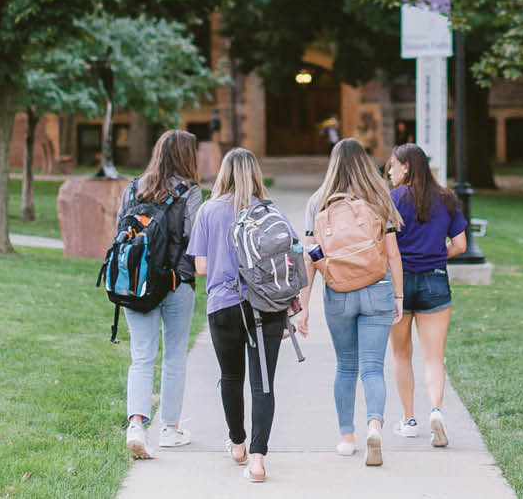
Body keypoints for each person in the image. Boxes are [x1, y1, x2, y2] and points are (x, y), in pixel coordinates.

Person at [186, 148, 298, 483]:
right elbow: (290, 255)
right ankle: (259, 460)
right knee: (263, 382)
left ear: (224, 173)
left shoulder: (208, 211)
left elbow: (202, 266)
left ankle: (238, 444)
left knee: (231, 377)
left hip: (224, 304)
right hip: (267, 304)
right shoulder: (270, 209)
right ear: (255, 174)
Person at [299, 138, 406, 467]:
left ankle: (347, 437)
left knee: (346, 367)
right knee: (373, 368)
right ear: (363, 163)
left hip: (339, 293)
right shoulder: (378, 198)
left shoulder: (318, 201)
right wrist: (399, 297)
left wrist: (303, 305)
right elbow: (392, 254)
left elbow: (310, 256)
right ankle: (374, 426)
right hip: (377, 289)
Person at [119, 130, 202, 460]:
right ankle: (169, 429)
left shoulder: (134, 187)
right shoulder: (190, 191)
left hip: (136, 282)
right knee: (174, 354)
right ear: (186, 156)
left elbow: (120, 233)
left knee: (141, 355)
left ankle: (136, 425)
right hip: (176, 280)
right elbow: (194, 237)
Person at [384, 144, 468, 447]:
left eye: (392, 165)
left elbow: (385, 246)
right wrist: (435, 254)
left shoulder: (391, 201)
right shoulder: (446, 198)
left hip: (399, 284)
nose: (389, 171)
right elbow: (460, 245)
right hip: (435, 280)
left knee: (401, 354)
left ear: (407, 166)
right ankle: (436, 410)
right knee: (433, 357)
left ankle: (408, 420)